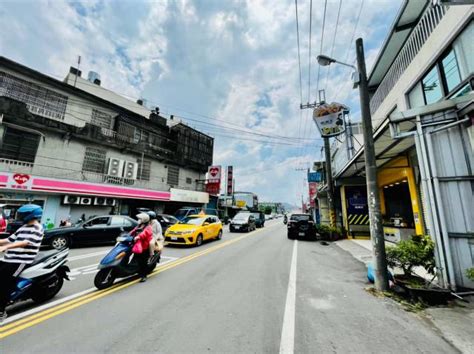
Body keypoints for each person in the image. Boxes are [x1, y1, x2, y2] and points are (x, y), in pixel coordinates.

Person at [0, 204, 44, 322]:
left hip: (20, 261)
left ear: (30, 215)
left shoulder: (37, 228)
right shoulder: (23, 227)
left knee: (4, 284)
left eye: (22, 214)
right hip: (8, 258)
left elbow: (24, 242)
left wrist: (5, 247)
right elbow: (9, 239)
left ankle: (1, 311)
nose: (19, 216)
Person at [131, 213, 153, 283]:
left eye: (140, 219)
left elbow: (145, 233)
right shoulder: (139, 226)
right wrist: (126, 235)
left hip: (144, 247)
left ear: (144, 220)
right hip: (137, 245)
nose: (138, 220)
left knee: (143, 262)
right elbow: (133, 231)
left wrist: (138, 236)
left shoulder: (148, 227)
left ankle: (144, 276)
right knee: (136, 259)